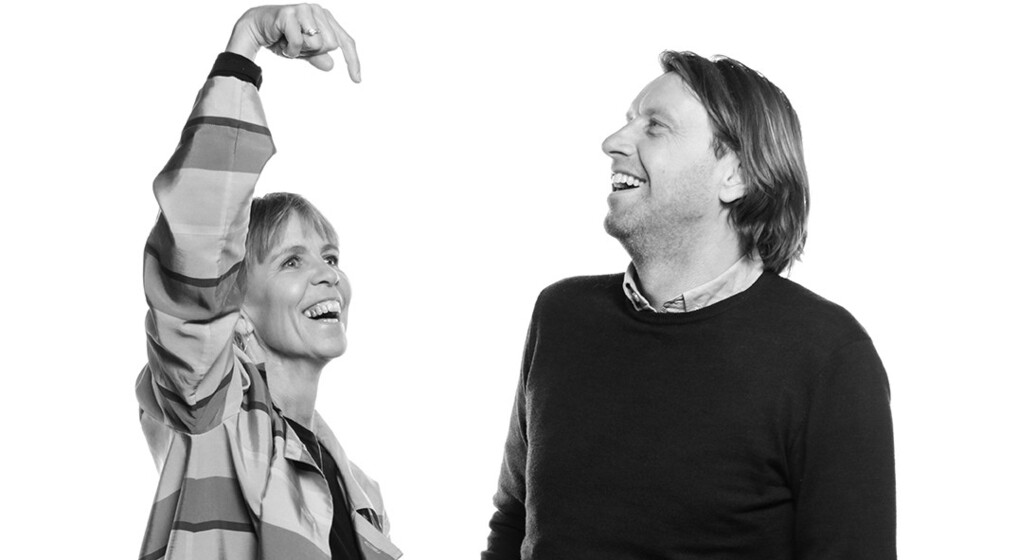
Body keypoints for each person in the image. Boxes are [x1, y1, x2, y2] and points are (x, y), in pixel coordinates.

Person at [482, 51, 896, 559]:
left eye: (655, 126)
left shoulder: (828, 356)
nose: (613, 142)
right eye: (629, 121)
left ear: (736, 175)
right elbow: (512, 526)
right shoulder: (561, 315)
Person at [135, 5, 401, 559]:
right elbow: (199, 241)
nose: (328, 274)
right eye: (291, 262)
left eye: (330, 256)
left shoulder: (362, 496)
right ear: (236, 310)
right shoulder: (210, 414)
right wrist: (247, 44)